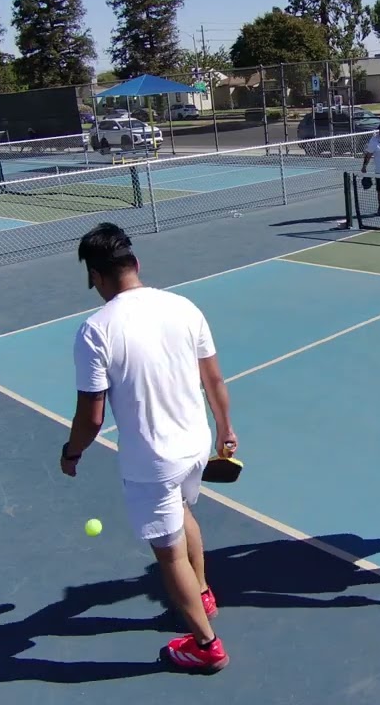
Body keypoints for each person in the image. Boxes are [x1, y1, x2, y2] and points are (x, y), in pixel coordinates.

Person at [62, 223, 236, 673]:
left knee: (168, 552)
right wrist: (225, 431)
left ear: (97, 277)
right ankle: (202, 593)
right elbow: (213, 379)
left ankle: (206, 646)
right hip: (196, 445)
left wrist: (72, 451)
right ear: (135, 264)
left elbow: (92, 418)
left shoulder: (95, 330)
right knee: (183, 510)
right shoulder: (184, 306)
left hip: (152, 461)